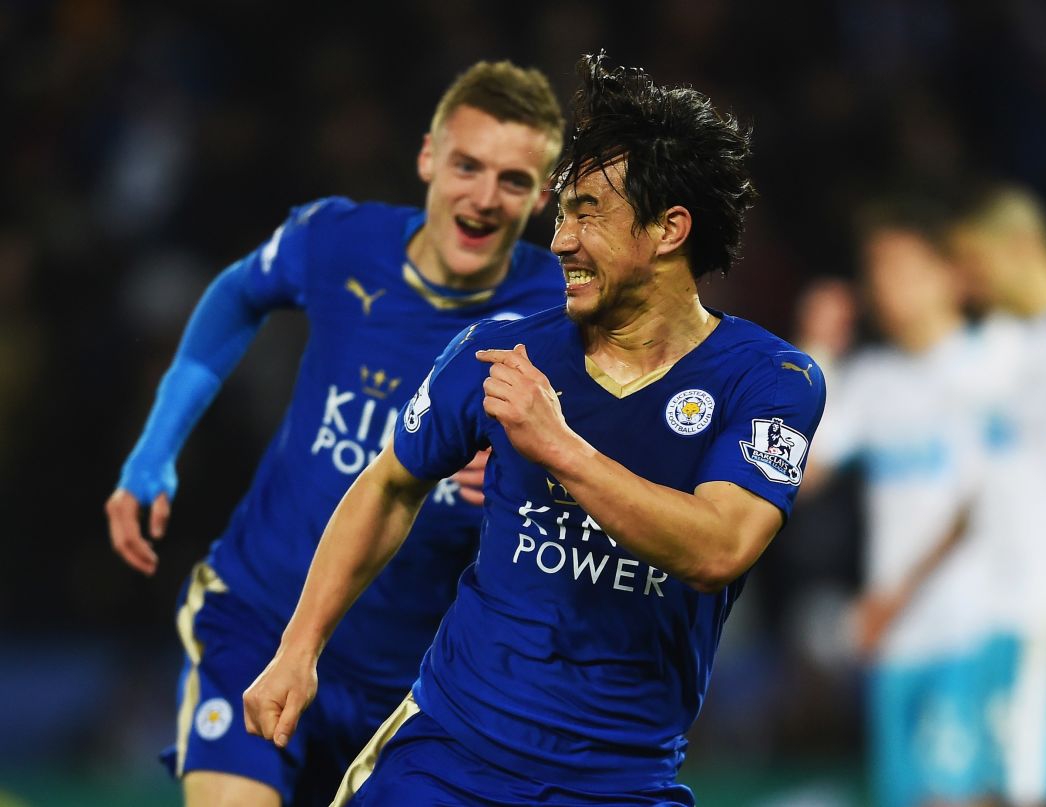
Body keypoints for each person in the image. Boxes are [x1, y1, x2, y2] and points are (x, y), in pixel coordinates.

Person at [243, 52, 825, 807]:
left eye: (588, 212)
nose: (560, 240)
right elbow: (389, 483)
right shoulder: (504, 350)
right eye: (562, 212)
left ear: (669, 229)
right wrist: (298, 647)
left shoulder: (770, 382)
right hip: (449, 756)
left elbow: (721, 545)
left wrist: (559, 448)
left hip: (619, 781)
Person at [104, 60, 567, 807]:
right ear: (428, 157)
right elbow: (234, 296)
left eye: (513, 180)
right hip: (258, 625)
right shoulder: (338, 240)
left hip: (424, 688)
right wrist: (154, 450)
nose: (484, 197)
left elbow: (619, 447)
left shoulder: (561, 311)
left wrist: (541, 472)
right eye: (467, 166)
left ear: (543, 195)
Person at [799, 197, 998, 807]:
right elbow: (795, 476)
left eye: (904, 269)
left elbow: (984, 506)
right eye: (878, 270)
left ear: (955, 276)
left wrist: (894, 598)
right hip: (897, 644)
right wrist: (816, 352)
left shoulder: (993, 367)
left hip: (977, 631)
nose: (886, 286)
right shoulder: (874, 380)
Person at [944, 182, 1046, 807]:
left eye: (973, 262)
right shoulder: (1007, 345)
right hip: (1000, 611)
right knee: (989, 789)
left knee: (1031, 792)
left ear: (1020, 245)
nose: (966, 281)